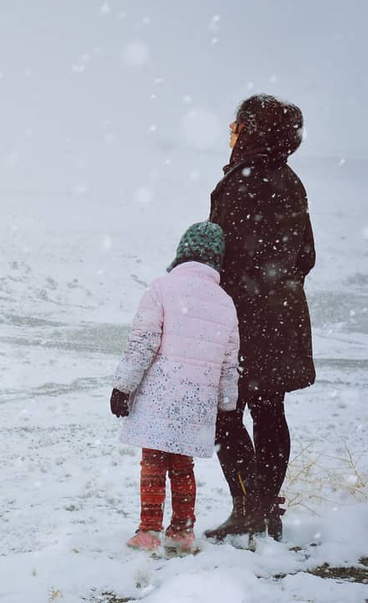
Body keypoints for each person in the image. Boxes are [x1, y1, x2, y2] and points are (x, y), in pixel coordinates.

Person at [204, 94, 316, 542]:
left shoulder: (242, 180)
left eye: (236, 124)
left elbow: (223, 255)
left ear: (251, 129)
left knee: (225, 413)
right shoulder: (291, 181)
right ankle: (264, 511)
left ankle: (249, 509)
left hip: (241, 318)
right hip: (282, 316)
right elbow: (306, 255)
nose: (230, 130)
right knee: (270, 411)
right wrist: (279, 286)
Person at [110, 221, 240, 555]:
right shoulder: (226, 302)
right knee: (183, 466)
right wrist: (226, 407)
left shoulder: (161, 288)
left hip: (160, 396)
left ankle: (149, 531)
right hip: (198, 403)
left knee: (153, 463)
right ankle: (182, 530)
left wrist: (123, 387)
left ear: (182, 252)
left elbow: (142, 343)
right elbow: (229, 363)